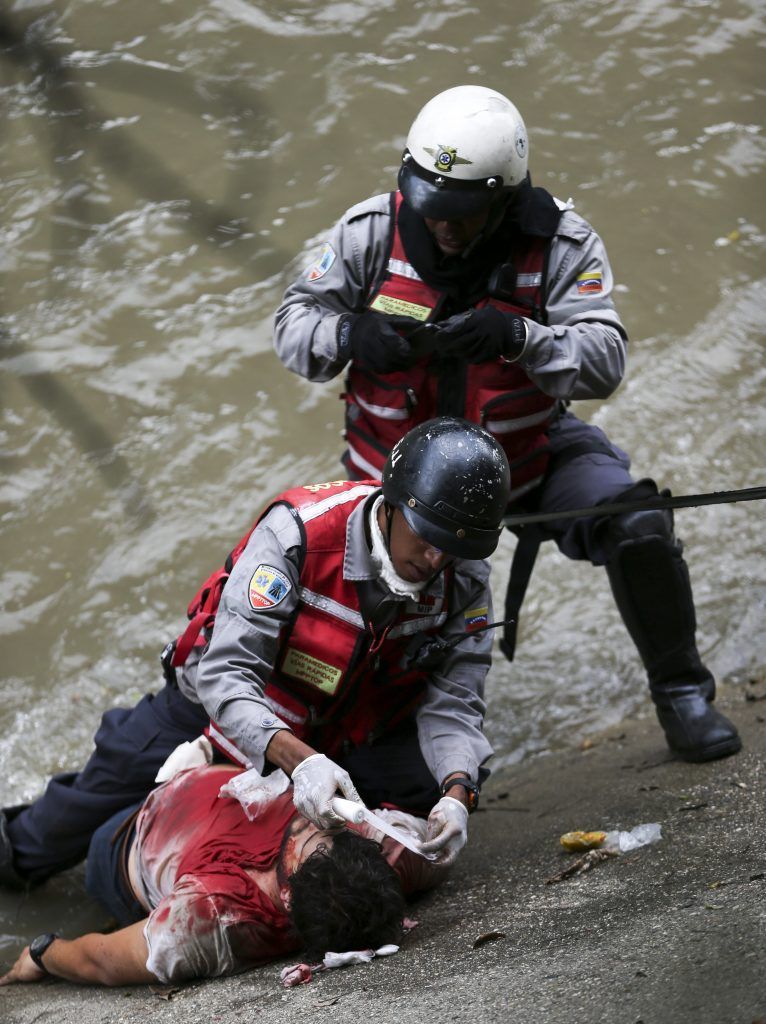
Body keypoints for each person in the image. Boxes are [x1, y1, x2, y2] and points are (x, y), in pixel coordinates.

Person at [273, 84, 741, 765]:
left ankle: (682, 694)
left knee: (637, 521)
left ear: (506, 198)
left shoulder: (562, 244)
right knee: (347, 621)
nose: (446, 228)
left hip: (526, 459)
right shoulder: (368, 234)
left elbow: (605, 360)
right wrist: (349, 331)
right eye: (434, 211)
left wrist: (520, 337)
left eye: (464, 214)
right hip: (396, 490)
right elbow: (292, 325)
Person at [1, 417, 510, 888]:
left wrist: (458, 793)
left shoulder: (462, 579)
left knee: (423, 797)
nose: (434, 558)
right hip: (211, 713)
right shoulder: (298, 538)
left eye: (451, 547)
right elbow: (226, 675)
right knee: (50, 833)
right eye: (426, 537)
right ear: (394, 503)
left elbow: (455, 704)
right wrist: (299, 762)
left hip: (343, 732)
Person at [0, 762, 443, 987]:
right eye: (339, 832)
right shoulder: (383, 855)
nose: (317, 820)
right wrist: (457, 799)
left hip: (120, 848)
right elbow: (435, 839)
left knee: (36, 838)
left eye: (310, 837)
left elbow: (101, 961)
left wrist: (42, 955)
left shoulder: (211, 919)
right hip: (195, 763)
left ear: (286, 893)